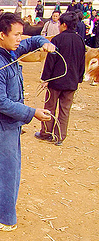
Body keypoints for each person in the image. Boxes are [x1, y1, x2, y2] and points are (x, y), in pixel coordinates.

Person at [0, 12, 54, 231]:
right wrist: (33, 113)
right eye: (16, 35)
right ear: (2, 35)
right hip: (1, 123)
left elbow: (32, 41)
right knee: (7, 168)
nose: (20, 39)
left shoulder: (10, 50)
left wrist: (45, 42)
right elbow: (1, 102)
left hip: (11, 123)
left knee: (3, 163)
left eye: (21, 34)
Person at [35, 12, 85, 146]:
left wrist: (45, 78)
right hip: (71, 82)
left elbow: (50, 62)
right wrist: (79, 79)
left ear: (63, 24)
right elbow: (82, 62)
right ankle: (59, 137)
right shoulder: (80, 40)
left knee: (49, 107)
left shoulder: (57, 40)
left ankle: (45, 132)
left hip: (56, 81)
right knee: (65, 109)